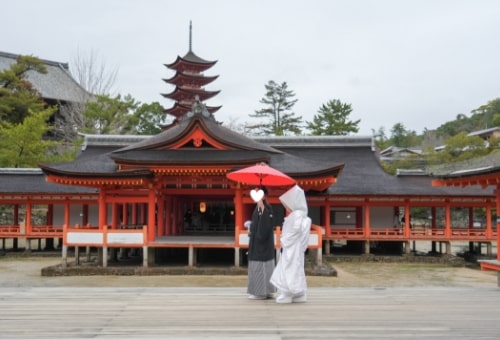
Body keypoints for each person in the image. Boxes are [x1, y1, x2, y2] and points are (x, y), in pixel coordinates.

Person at [270, 185, 311, 303]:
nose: (286, 207)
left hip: (291, 248)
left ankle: (287, 293)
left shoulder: (295, 215)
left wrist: (283, 240)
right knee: (297, 267)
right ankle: (299, 293)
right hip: (296, 248)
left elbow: (294, 231)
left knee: (289, 268)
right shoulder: (302, 215)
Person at [247, 186, 277, 300]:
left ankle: (260, 293)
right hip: (259, 243)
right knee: (265, 267)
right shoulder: (260, 209)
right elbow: (257, 224)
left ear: (263, 195)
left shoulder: (267, 209)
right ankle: (267, 291)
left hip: (262, 245)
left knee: (260, 267)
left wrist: (262, 207)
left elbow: (264, 228)